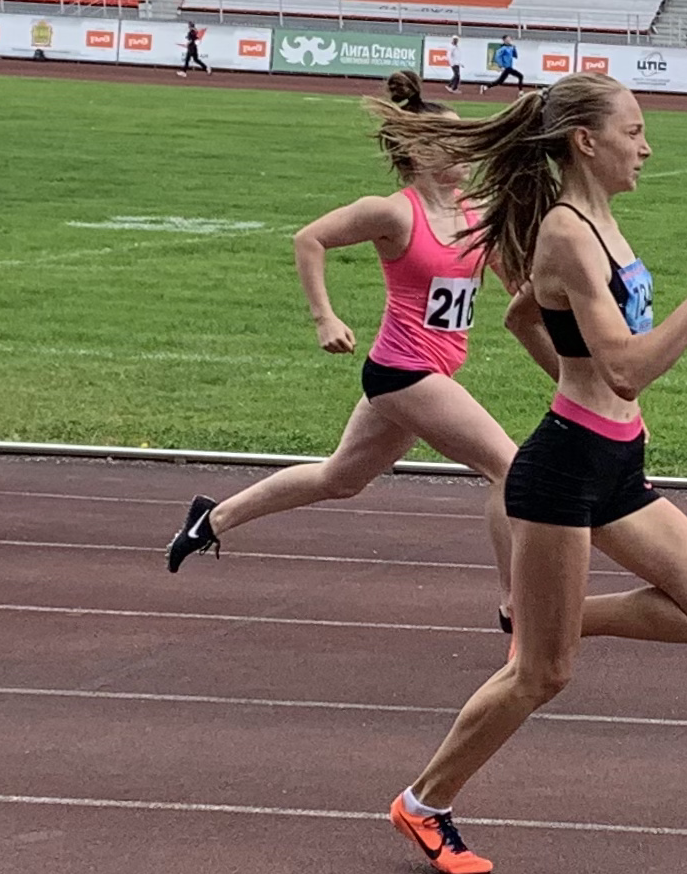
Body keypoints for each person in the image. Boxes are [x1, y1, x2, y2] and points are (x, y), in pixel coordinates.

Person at [390, 73, 687, 874]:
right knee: (542, 674)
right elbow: (625, 370)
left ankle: (544, 612)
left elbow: (524, 314)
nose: (646, 145)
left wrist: (575, 377)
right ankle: (424, 803)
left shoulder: (600, 222)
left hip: (615, 461)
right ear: (585, 141)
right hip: (562, 471)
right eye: (633, 130)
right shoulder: (565, 232)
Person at [167, 69, 534, 623]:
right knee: (509, 467)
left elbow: (511, 280)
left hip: (431, 372)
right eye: (451, 139)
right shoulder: (392, 212)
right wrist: (324, 318)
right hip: (402, 373)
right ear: (416, 150)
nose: (465, 149)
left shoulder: (472, 211)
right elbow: (309, 238)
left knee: (340, 478)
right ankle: (516, 605)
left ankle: (209, 519)